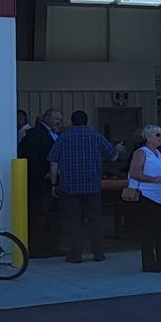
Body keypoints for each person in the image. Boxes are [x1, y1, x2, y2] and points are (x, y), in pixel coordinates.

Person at [47, 110, 117, 263]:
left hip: (69, 187)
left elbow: (53, 162)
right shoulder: (96, 137)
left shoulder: (63, 138)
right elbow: (113, 156)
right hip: (92, 186)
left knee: (73, 221)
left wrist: (54, 183)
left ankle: (76, 253)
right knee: (95, 220)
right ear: (86, 121)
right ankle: (98, 252)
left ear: (72, 122)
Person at [128, 124, 161, 272]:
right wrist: (152, 179)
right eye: (157, 135)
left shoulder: (158, 153)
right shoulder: (141, 153)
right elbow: (134, 173)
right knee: (149, 230)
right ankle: (149, 262)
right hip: (148, 196)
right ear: (148, 137)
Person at [18, 109, 61, 255]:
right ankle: (37, 247)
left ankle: (51, 245)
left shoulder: (55, 134)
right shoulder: (35, 134)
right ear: (46, 118)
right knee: (40, 214)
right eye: (56, 119)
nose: (58, 122)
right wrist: (44, 172)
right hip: (40, 182)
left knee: (52, 214)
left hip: (53, 181)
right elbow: (31, 156)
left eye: (60, 119)